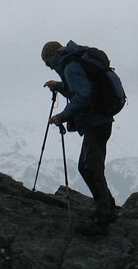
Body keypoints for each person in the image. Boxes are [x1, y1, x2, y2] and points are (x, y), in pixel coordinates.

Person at [41, 40, 118, 236]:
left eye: (47, 63)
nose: (49, 67)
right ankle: (108, 207)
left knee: (91, 166)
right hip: (100, 119)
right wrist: (58, 86)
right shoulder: (73, 63)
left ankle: (103, 217)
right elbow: (81, 89)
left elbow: (83, 96)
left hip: (97, 121)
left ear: (51, 57)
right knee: (87, 166)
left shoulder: (70, 67)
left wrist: (62, 117)